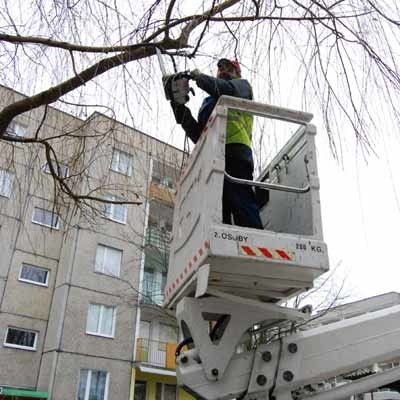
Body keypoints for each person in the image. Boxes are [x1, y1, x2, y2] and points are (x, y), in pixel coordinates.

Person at [171, 58, 263, 229]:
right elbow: (199, 134)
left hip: (235, 150)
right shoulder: (208, 102)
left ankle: (254, 238)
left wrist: (199, 78)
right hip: (212, 156)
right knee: (219, 210)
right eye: (220, 68)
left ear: (237, 72)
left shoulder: (242, 86)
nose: (222, 71)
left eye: (228, 68)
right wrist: (178, 106)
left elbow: (225, 90)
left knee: (241, 201)